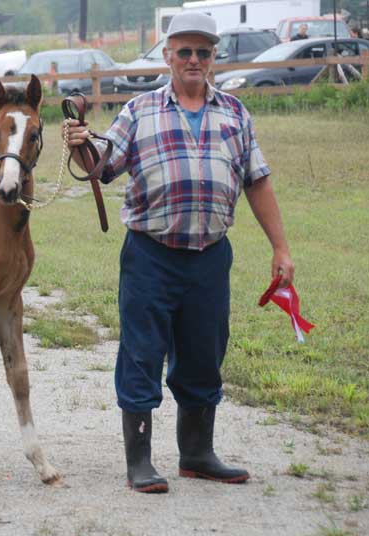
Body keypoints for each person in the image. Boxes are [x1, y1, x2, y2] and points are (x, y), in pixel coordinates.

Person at [62, 11, 294, 494]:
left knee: (204, 353)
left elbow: (257, 181)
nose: (193, 60)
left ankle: (197, 454)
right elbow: (103, 167)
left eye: (202, 52)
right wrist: (81, 144)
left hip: (210, 256)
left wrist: (280, 247)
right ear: (167, 56)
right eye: (184, 51)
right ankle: (140, 462)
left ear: (213, 58)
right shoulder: (139, 111)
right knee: (141, 353)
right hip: (150, 256)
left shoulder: (235, 113)